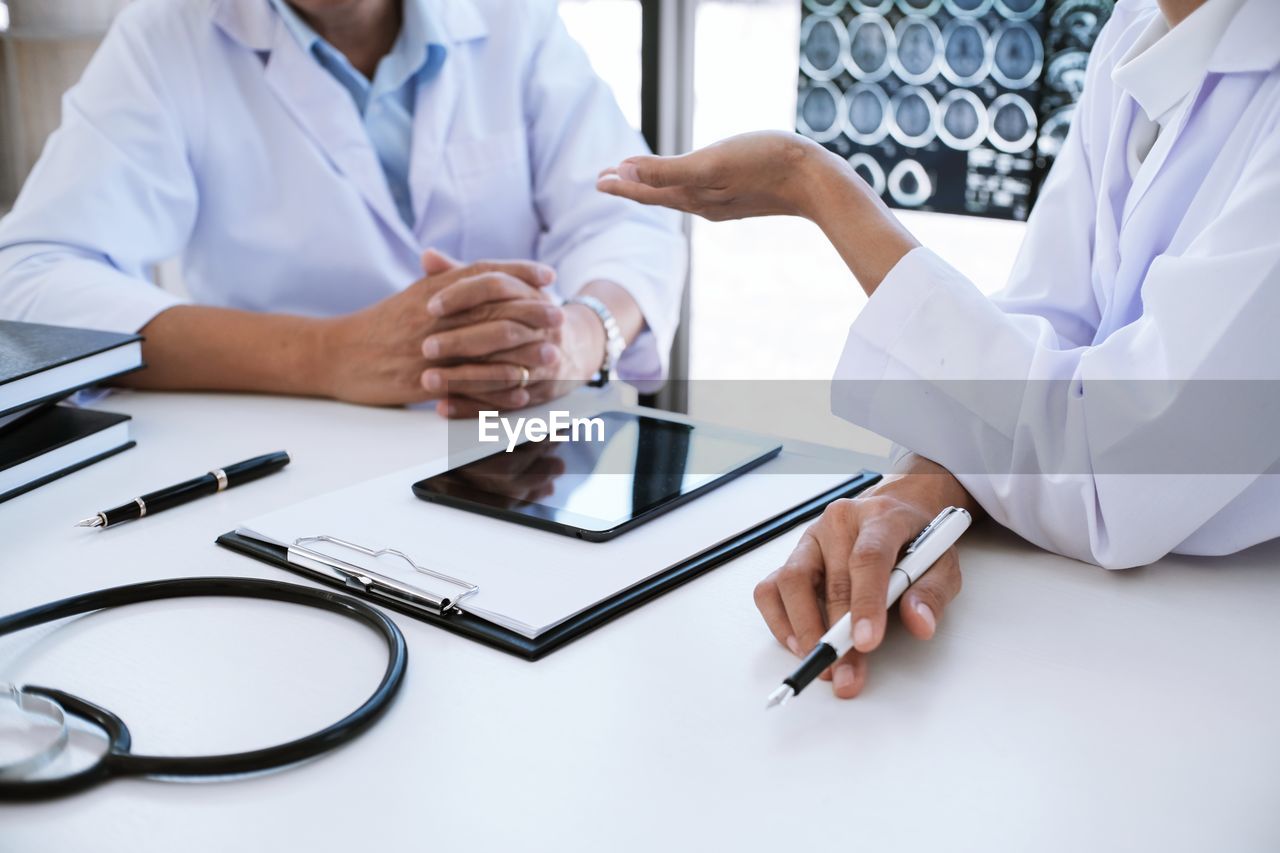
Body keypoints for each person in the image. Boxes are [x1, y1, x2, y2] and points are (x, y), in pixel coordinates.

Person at [599, 0, 1280, 697]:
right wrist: (927, 487)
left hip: (1221, 666)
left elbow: (1116, 477)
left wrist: (811, 182)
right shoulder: (1141, 21)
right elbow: (1052, 323)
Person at [0, 0, 685, 416]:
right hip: (290, 455)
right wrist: (324, 354)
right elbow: (31, 280)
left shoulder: (513, 16)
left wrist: (578, 336)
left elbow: (630, 215)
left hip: (527, 451)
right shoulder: (165, 36)